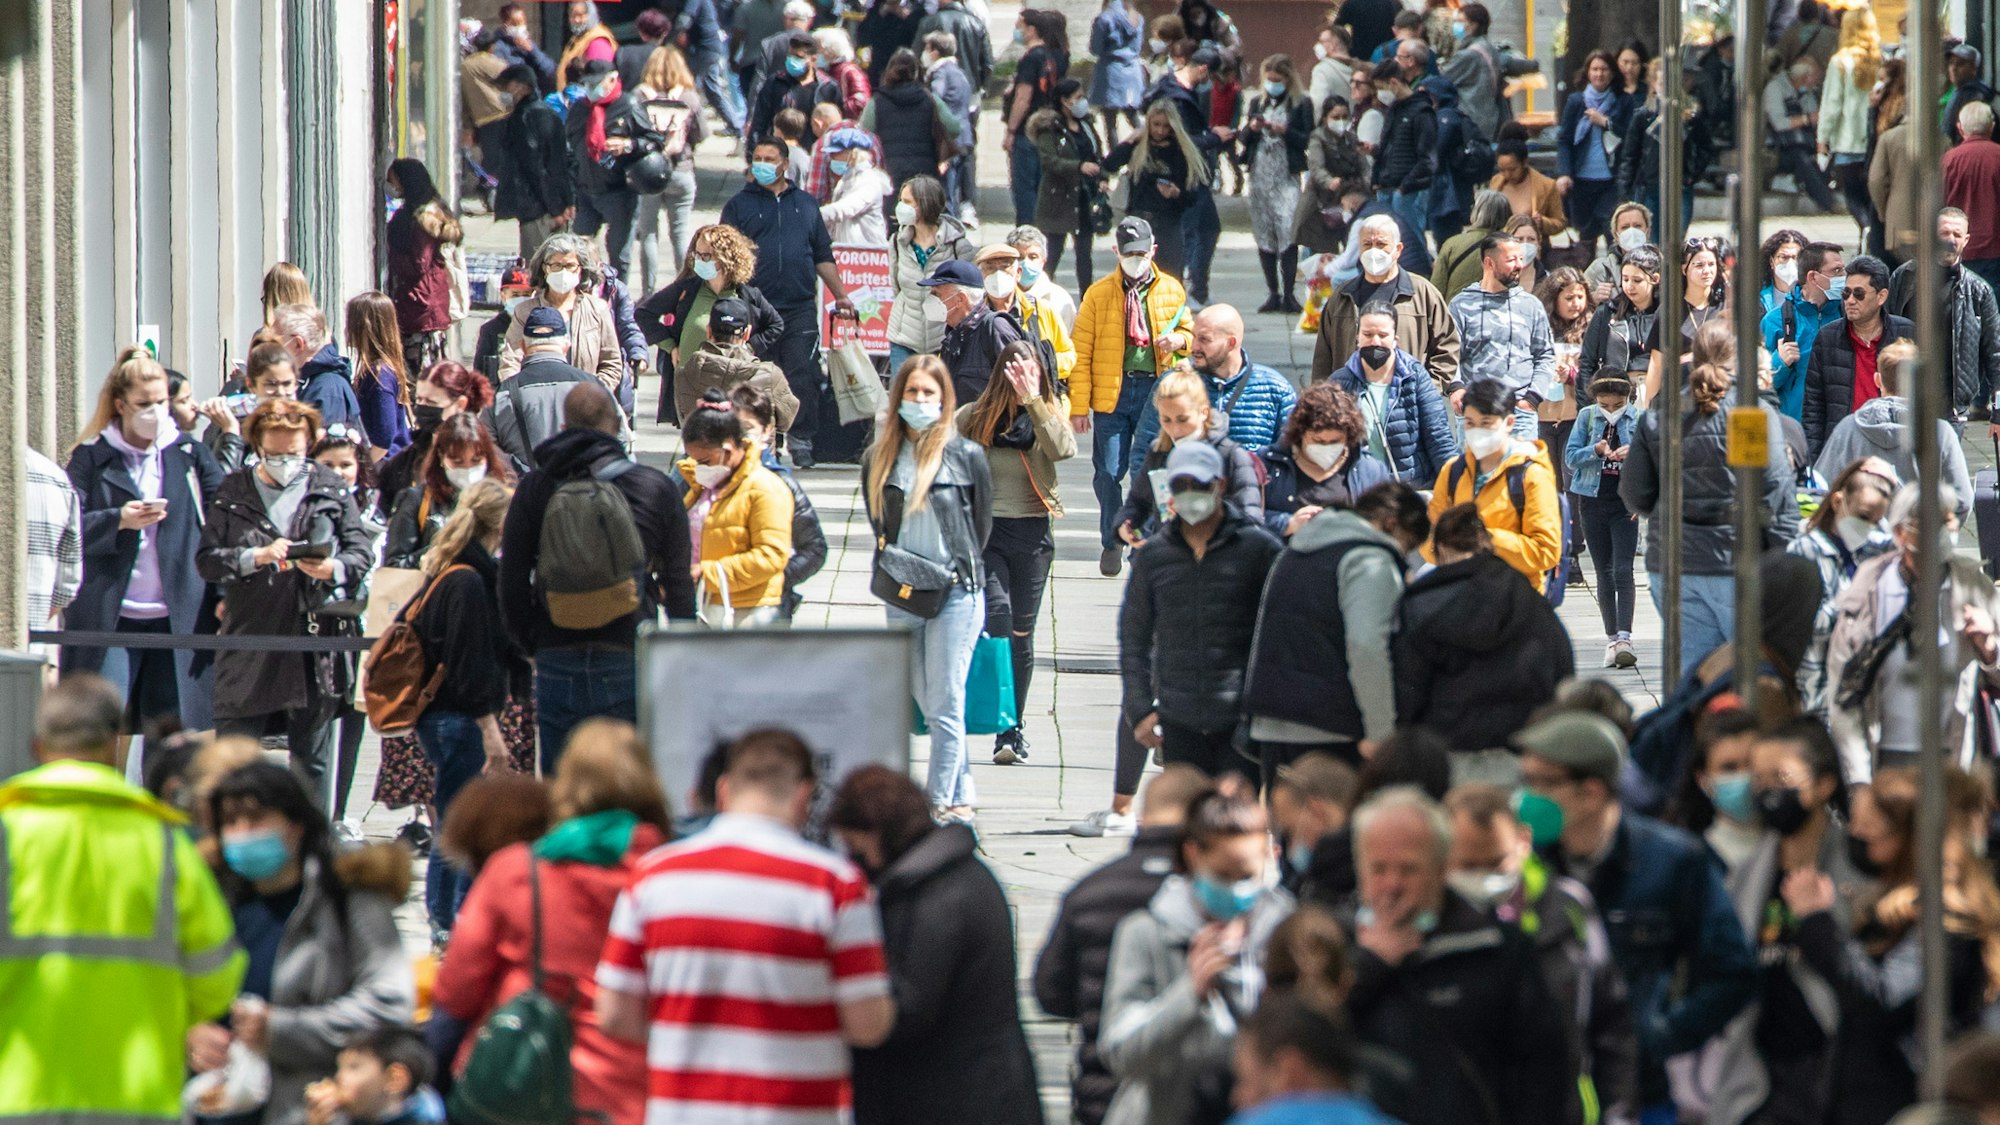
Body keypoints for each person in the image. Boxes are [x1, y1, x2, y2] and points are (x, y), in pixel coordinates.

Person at [595, 728, 896, 1122]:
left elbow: (615, 1015)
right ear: (804, 796)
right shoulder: (836, 885)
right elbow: (868, 1024)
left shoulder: (652, 877)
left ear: (723, 790)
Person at [0, 675, 244, 1125]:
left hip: (17, 1096)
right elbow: (218, 974)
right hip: (139, 1099)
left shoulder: (7, 832)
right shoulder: (164, 842)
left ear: (38, 746)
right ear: (116, 744)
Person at [1516, 710, 1759, 1123]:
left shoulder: (1672, 862)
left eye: (1544, 783)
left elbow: (1733, 970)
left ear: (1591, 792)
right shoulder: (1522, 865)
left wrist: (1659, 1035)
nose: (1527, 798)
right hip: (1539, 1095)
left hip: (1639, 1095)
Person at [433, 720, 668, 1125]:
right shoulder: (672, 875)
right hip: (640, 1094)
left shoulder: (518, 870)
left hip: (523, 1086)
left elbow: (456, 992)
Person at [196, 762, 415, 1125]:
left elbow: (389, 1002)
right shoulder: (210, 893)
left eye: (257, 820)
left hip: (309, 1108)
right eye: (231, 823)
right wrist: (192, 1031)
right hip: (215, 1104)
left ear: (296, 826)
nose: (242, 834)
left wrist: (281, 1030)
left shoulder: (347, 895)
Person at [1341, 786, 1573, 1125]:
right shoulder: (1334, 942)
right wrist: (1371, 965)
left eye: (1408, 870)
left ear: (1441, 868)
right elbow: (1305, 1043)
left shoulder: (1497, 947)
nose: (1391, 885)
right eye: (1378, 869)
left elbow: (1543, 1071)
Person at [827, 766, 1044, 1125]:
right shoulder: (954, 878)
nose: (854, 861)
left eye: (856, 847)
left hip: (956, 1099)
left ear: (879, 831)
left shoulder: (937, 897)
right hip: (976, 1090)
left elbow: (906, 1007)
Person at [1786, 767, 2000, 1125]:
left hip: (1906, 1103)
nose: (1854, 837)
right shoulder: (1893, 908)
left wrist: (1816, 922)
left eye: (1868, 832)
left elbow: (1880, 999)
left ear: (1908, 838)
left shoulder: (1944, 916)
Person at [500, 383, 697, 766]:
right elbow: (679, 583)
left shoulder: (535, 488)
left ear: (563, 425)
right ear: (617, 424)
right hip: (629, 649)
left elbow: (510, 577)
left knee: (565, 786)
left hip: (557, 650)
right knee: (627, 782)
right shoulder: (653, 487)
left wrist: (531, 642)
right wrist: (679, 656)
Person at [197, 400, 372, 802]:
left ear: (309, 443)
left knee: (311, 761)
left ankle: (309, 851)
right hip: (249, 640)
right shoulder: (233, 489)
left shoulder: (328, 486)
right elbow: (206, 561)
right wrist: (254, 557)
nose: (284, 462)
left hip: (313, 644)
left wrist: (334, 569)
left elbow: (360, 551)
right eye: (273, 453)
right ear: (257, 444)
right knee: (234, 762)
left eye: (293, 452)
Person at [1442, 782, 1638, 1125]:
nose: (1484, 879)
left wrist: (1619, 1115)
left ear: (1523, 841)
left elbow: (1613, 1025)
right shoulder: (1427, 930)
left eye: (1495, 863)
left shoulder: (1568, 910)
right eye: (1468, 866)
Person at [1099, 784, 1294, 1125]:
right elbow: (1121, 1053)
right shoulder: (1148, 931)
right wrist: (1190, 994)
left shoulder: (1285, 931)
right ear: (1192, 855)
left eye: (1246, 876)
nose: (1236, 890)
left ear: (1268, 855)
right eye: (1222, 875)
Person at [64, 348, 228, 733]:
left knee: (169, 729)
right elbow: (69, 528)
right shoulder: (92, 458)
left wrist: (223, 596)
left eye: (161, 402)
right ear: (120, 404)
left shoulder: (189, 454)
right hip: (112, 616)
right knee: (101, 720)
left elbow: (222, 524)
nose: (155, 412)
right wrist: (118, 519)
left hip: (178, 616)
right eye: (144, 404)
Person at [1036, 766, 1211, 1122]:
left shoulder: (1089, 893)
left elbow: (1050, 992)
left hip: (1104, 1095)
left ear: (1143, 817)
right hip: (1197, 1099)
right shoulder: (1213, 896)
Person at [863, 356, 992, 820]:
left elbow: (981, 527)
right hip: (901, 590)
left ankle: (938, 805)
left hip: (955, 590)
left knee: (945, 700)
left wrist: (959, 572)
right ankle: (963, 788)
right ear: (898, 399)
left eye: (929, 394)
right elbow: (879, 520)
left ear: (944, 401)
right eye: (912, 393)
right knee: (925, 696)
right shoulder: (879, 457)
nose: (920, 401)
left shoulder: (965, 455)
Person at [1120, 435, 1284, 776]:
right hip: (1179, 719)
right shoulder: (1155, 556)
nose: (1191, 492)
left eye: (1200, 484)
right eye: (1182, 485)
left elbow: (1279, 637)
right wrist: (1139, 709)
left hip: (1242, 720)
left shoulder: (1258, 550)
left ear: (1220, 485)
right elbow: (1134, 636)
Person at [1622, 363, 1800, 675]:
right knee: (1753, 674)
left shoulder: (1661, 415)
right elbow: (1774, 492)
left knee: (1693, 675)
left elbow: (1636, 494)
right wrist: (1782, 559)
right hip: (1733, 562)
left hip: (1675, 562)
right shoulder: (1750, 414)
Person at [1245, 471, 1425, 774]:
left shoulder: (1295, 551)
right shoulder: (1369, 558)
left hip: (1272, 719)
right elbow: (1367, 646)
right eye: (1406, 546)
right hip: (1334, 729)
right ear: (1392, 523)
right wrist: (1380, 732)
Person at [402, 477, 520, 935]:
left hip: (444, 719)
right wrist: (491, 731)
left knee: (457, 819)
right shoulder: (469, 582)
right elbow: (469, 668)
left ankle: (450, 918)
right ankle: (448, 922)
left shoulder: (453, 571)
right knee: (459, 825)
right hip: (459, 720)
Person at [1825, 481, 2000, 786]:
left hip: (1955, 760)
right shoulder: (1868, 592)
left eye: (1948, 521)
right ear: (1900, 533)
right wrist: (1859, 780)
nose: (1942, 531)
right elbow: (1844, 696)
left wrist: (1989, 647)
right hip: (1886, 760)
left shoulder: (1974, 587)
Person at [957, 342, 1075, 765]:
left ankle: (1013, 728)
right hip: (987, 533)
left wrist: (1034, 401)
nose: (1026, 379)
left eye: (1033, 373)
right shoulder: (975, 416)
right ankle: (998, 721)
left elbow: (1064, 449)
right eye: (1017, 373)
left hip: (1033, 535)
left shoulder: (1045, 411)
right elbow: (941, 448)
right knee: (1000, 619)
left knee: (1023, 635)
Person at [719, 135, 859, 468]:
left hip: (799, 306)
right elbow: (726, 254)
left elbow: (822, 255)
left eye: (771, 159)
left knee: (803, 373)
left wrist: (841, 295)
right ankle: (765, 439)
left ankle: (801, 439)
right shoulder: (739, 205)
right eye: (758, 159)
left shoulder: (806, 204)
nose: (763, 165)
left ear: (785, 164)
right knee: (756, 377)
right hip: (755, 307)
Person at [1394, 503, 1572, 761]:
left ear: (1439, 548)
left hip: (1444, 750)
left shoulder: (1421, 604)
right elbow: (1562, 670)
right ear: (1488, 545)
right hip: (1522, 748)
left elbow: (1407, 684)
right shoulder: (1530, 603)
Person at [1071, 216, 1192, 575]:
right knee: (1108, 472)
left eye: (1141, 252)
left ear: (1153, 250)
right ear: (1116, 253)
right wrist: (1080, 406)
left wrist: (1179, 342)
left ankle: (1142, 543)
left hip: (1155, 392)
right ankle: (1112, 537)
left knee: (1148, 470)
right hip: (1113, 392)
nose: (1136, 259)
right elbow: (1082, 353)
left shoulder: (1171, 289)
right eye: (1129, 253)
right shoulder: (1098, 294)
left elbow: (1189, 330)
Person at [636, 222, 784, 425]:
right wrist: (670, 346)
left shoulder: (748, 295)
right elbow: (644, 313)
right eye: (697, 255)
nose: (700, 260)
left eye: (707, 256)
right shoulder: (686, 290)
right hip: (691, 384)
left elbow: (775, 325)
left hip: (733, 385)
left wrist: (749, 348)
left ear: (726, 259)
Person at [1788, 457, 1899, 717]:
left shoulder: (1872, 549)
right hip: (1817, 700)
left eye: (1876, 520)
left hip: (1863, 702)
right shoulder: (1805, 550)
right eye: (1863, 517)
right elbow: (1808, 624)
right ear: (1838, 501)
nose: (1868, 526)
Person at [1814, 339, 1973, 519]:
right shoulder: (1940, 432)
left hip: (1861, 539)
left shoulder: (1848, 428)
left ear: (1877, 380)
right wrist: (1938, 536)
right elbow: (1963, 500)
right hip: (1919, 541)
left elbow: (1820, 488)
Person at [1426, 379, 1561, 586]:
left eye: (1486, 423)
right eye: (1470, 423)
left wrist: (1485, 539)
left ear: (1509, 423)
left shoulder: (1531, 474)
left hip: (1517, 598)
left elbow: (1546, 551)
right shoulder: (1453, 471)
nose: (1476, 431)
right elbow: (1430, 540)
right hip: (1463, 594)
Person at [677, 391, 794, 626]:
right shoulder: (702, 486)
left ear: (729, 448)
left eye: (705, 461)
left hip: (748, 613)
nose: (697, 467)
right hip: (707, 606)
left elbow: (772, 555)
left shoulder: (764, 487)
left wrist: (707, 574)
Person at [1114, 368, 1266, 546]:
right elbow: (1138, 501)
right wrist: (1126, 525)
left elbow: (1250, 520)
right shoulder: (1159, 452)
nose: (1175, 430)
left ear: (1204, 413)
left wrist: (1204, 513)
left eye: (1182, 419)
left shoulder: (1231, 456)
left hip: (1217, 562)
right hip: (1170, 559)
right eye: (1166, 420)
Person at [1309, 213, 1460, 388]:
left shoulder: (1422, 293)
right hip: (1350, 404)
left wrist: (1427, 389)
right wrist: (1325, 398)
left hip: (1406, 405)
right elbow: (1323, 357)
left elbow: (1447, 346)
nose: (1374, 251)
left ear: (1398, 249)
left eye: (1381, 244)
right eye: (1367, 244)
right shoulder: (1343, 296)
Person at [1132, 304, 1295, 456]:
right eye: (1194, 337)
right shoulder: (1175, 383)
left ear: (1231, 343)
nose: (1194, 347)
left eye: (1204, 339)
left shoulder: (1274, 389)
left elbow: (1290, 456)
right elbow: (1144, 449)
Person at [1887, 208, 2000, 421]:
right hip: (1907, 395)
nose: (1950, 240)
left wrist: (1998, 409)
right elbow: (1885, 331)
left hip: (1953, 404)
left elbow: (1995, 352)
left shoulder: (1978, 291)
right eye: (1944, 233)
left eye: (1957, 235)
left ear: (1966, 240)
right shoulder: (1904, 278)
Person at [1326, 301, 1458, 482]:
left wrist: (1455, 484)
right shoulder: (1339, 382)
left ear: (1395, 338)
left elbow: (1438, 437)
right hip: (1359, 491)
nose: (1375, 341)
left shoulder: (1415, 377)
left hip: (1409, 490)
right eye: (1367, 334)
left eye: (1383, 335)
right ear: (1357, 337)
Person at [1564, 374, 1642, 667]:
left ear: (1628, 399)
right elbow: (1570, 457)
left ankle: (1625, 636)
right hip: (1592, 502)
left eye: (1618, 404)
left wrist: (1633, 455)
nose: (1611, 409)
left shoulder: (1638, 418)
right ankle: (1612, 638)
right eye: (1604, 404)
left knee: (1624, 569)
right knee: (1603, 571)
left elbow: (1653, 459)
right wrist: (1595, 451)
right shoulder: (1586, 417)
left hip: (1625, 504)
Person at [1803, 255, 1912, 459]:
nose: (1850, 301)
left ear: (1881, 296)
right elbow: (1813, 408)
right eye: (1846, 293)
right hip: (1843, 450)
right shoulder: (1827, 338)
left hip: (1894, 449)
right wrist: (1815, 462)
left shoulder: (1906, 335)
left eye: (1859, 294)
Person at [1447, 233, 1555, 438]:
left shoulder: (1531, 305)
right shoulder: (1460, 305)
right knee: (1475, 471)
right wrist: (1455, 388)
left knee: (1521, 471)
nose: (1519, 265)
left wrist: (1532, 398)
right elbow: (1448, 355)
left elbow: (1545, 355)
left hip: (1520, 414)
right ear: (1489, 263)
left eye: (1520, 259)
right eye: (1511, 260)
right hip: (1475, 413)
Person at [1256, 382, 1395, 539]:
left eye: (1335, 441)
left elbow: (1389, 528)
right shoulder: (1268, 465)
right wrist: (1288, 523)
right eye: (1318, 441)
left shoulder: (1370, 470)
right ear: (1300, 433)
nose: (1327, 447)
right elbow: (1246, 520)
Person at [498, 234, 626, 394]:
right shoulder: (525, 311)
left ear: (580, 269)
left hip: (585, 405)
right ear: (545, 268)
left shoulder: (597, 309)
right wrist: (520, 396)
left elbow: (611, 363)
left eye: (570, 265)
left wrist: (594, 394)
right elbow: (511, 360)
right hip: (537, 401)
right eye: (556, 265)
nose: (563, 272)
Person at [629, 45, 709, 294]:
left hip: (648, 173)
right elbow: (701, 134)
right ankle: (684, 289)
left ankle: (648, 292)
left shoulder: (640, 96)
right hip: (681, 171)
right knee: (680, 234)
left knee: (649, 234)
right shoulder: (689, 98)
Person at [376, 361, 493, 524]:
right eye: (419, 400)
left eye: (431, 403)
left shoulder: (490, 460)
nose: (422, 409)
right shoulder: (402, 464)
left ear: (460, 405)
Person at [1105, 99, 1210, 276]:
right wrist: (1130, 142)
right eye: (1156, 125)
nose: (1160, 131)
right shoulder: (1139, 147)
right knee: (1135, 276)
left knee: (1169, 277)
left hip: (1168, 223)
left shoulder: (1180, 152)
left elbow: (1192, 196)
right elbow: (1109, 164)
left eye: (1166, 126)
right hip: (1139, 221)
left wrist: (1177, 193)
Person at [1241, 54, 1313, 312]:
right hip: (1260, 175)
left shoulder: (1301, 104)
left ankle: (1289, 293)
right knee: (1264, 233)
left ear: (1288, 79)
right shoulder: (1257, 102)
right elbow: (1244, 138)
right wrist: (1252, 128)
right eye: (1269, 80)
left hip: (1286, 175)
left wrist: (1285, 131)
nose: (1272, 84)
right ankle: (1272, 292)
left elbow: (1307, 138)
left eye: (1278, 80)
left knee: (1288, 231)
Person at [491, 305, 604, 468]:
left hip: (524, 490)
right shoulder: (594, 387)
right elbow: (619, 437)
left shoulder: (505, 393)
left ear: (523, 347)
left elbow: (486, 444)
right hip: (581, 489)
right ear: (566, 346)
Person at [885, 174, 977, 372]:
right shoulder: (897, 242)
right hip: (904, 338)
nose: (900, 207)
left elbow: (969, 294)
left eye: (907, 202)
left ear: (924, 205)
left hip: (944, 339)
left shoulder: (957, 245)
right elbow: (896, 287)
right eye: (901, 201)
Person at [384, 158, 463, 376]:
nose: (392, 187)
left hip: (421, 306)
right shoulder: (421, 211)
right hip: (422, 304)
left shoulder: (423, 219)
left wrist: (392, 258)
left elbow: (420, 263)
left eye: (394, 182)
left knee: (421, 373)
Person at [670, 295, 796, 429]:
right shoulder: (769, 375)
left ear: (708, 331)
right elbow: (786, 421)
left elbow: (684, 420)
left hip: (704, 449)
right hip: (754, 449)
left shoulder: (684, 374)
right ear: (747, 333)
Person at [492, 64, 576, 260]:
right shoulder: (547, 113)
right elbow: (562, 162)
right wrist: (567, 201)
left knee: (538, 269)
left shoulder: (524, 119)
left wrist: (555, 208)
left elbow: (536, 168)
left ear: (522, 87)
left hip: (538, 208)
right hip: (553, 205)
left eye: (506, 86)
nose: (502, 92)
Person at [1555, 51, 1632, 251]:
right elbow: (1564, 139)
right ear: (1587, 73)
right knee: (1586, 235)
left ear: (1613, 73)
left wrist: (1606, 122)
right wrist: (1564, 172)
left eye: (1604, 69)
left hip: (1611, 179)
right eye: (1595, 69)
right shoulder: (1576, 101)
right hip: (1581, 180)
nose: (1599, 74)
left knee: (1612, 230)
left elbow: (1631, 136)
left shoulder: (1623, 102)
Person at [922, 258, 1027, 406]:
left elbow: (1021, 392)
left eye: (936, 294)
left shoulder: (996, 328)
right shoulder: (953, 336)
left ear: (960, 299)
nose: (930, 299)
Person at [1762, 239, 1846, 422]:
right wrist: (1780, 362)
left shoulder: (1846, 314)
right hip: (1794, 428)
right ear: (1813, 277)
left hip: (1835, 428)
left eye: (1843, 269)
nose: (1844, 276)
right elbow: (1758, 386)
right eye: (1836, 271)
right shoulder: (1775, 321)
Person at [1817, 6, 1880, 243]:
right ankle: (1872, 236)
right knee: (1871, 197)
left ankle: (1867, 232)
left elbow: (1832, 104)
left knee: (1853, 197)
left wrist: (1822, 138)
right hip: (1875, 141)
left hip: (1847, 141)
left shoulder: (1840, 62)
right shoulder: (1882, 59)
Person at [1005, 10, 1072, 226]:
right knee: (1040, 185)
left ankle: (1026, 233)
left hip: (1028, 130)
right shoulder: (1050, 56)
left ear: (1032, 30)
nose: (1017, 31)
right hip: (1046, 126)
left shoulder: (1031, 58)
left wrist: (1011, 130)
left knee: (1024, 188)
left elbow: (1023, 98)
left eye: (1020, 26)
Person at [974, 241, 1076, 383]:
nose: (997, 274)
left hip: (1036, 397)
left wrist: (1038, 366)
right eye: (990, 268)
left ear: (1018, 273)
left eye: (1005, 267)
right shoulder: (972, 317)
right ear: (980, 275)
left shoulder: (1042, 310)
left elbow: (1068, 354)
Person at [1578, 245, 1660, 412]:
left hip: (1657, 394)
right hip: (1615, 395)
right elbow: (1586, 362)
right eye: (1625, 279)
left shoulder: (1666, 313)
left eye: (1637, 280)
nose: (1629, 286)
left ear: (1655, 279)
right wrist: (1589, 405)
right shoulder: (1608, 311)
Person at [1291, 95, 1370, 261]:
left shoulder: (1351, 138)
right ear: (1325, 117)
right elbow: (1316, 167)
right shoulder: (1317, 137)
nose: (1340, 121)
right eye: (1335, 117)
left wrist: (1367, 184)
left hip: (1348, 199)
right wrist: (1329, 181)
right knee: (1322, 254)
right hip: (1321, 202)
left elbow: (1364, 166)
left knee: (1354, 246)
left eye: (1344, 117)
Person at [1365, 57, 1434, 246]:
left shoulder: (1421, 112)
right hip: (1387, 186)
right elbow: (1389, 146)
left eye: (1381, 87)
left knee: (1411, 239)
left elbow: (1427, 159)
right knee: (1386, 241)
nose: (1379, 94)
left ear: (1394, 83)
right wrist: (1376, 176)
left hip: (1407, 189)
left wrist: (1405, 187)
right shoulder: (1393, 110)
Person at [1440, 3, 1534, 139]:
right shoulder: (1487, 47)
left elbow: (1443, 81)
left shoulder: (1469, 55)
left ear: (1473, 25)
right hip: (1489, 117)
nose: (1456, 26)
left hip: (1471, 118)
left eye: (1460, 22)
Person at [273, 303, 365, 432]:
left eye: (275, 340)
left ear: (298, 344)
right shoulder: (308, 380)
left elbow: (326, 448)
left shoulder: (328, 390)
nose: (269, 348)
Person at [1764, 57, 1839, 214]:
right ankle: (1828, 203)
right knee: (1801, 159)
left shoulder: (1807, 93)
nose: (1816, 83)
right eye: (1815, 79)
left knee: (1825, 155)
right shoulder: (1775, 88)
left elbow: (1814, 118)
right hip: (1779, 145)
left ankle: (1829, 195)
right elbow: (1779, 123)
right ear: (1805, 78)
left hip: (1804, 141)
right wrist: (1807, 118)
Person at [1941, 100, 2000, 297]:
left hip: (1957, 247)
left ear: (1960, 128)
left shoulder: (1948, 160)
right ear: (1992, 126)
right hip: (1995, 250)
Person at [1430, 190, 1511, 301]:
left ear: (1476, 212)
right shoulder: (1509, 249)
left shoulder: (1452, 244)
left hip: (1455, 313)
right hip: (1493, 314)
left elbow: (1436, 290)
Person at [818, 131, 892, 246]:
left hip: (869, 255)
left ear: (853, 154)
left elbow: (846, 208)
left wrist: (813, 214)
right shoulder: (844, 181)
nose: (831, 157)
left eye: (836, 153)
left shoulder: (869, 181)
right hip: (847, 253)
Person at [1091, 0, 1146, 137]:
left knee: (1110, 122)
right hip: (1132, 69)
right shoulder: (1137, 17)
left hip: (1110, 71)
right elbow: (1138, 47)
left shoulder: (1104, 18)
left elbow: (1096, 48)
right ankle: (1149, 147)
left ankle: (1115, 155)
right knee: (1133, 116)